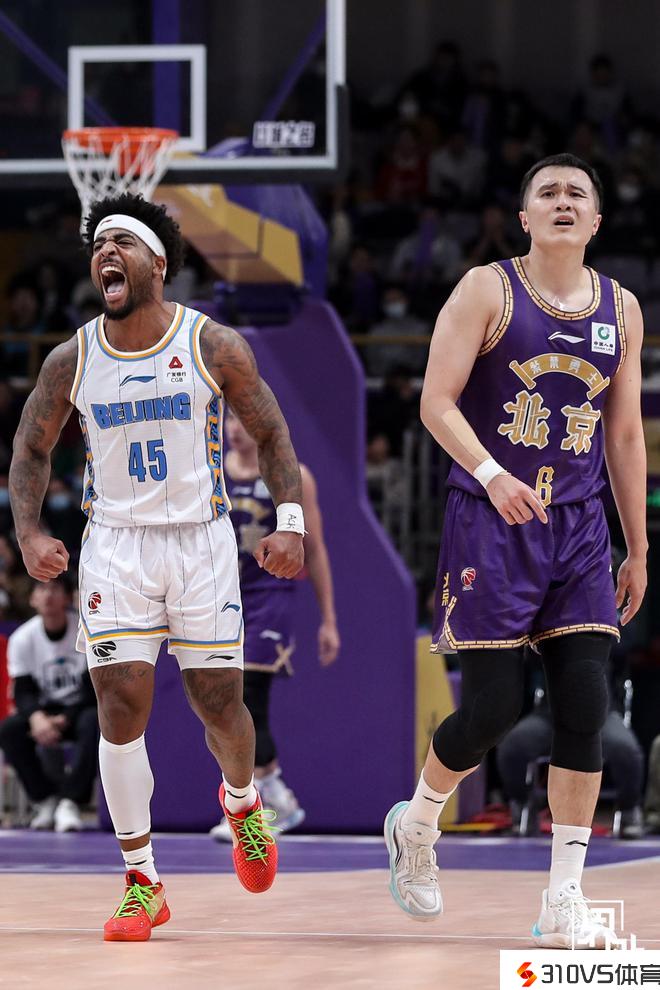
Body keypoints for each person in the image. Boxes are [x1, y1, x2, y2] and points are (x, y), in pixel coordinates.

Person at [8, 192, 306, 942]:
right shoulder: (73, 358)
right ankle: (143, 882)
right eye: (98, 244)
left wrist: (290, 523)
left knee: (219, 704)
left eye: (123, 243)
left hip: (200, 541)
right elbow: (31, 447)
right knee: (118, 709)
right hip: (115, 544)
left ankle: (242, 804)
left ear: (158, 264)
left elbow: (272, 433)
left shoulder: (212, 345)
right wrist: (28, 531)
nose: (106, 253)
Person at [384, 153, 647, 948]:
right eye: (548, 192)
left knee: (586, 704)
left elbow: (623, 435)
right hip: (491, 518)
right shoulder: (486, 290)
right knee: (495, 709)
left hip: (578, 526)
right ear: (525, 217)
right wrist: (492, 473)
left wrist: (637, 547)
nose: (563, 201)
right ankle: (417, 825)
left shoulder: (622, 308)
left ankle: (565, 898)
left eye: (577, 193)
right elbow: (436, 402)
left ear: (595, 219)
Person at [210, 410, 339, 840]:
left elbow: (314, 550)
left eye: (243, 420)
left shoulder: (291, 475)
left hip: (270, 598)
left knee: (250, 696)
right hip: (222, 598)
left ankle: (255, 804)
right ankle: (273, 795)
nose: (234, 428)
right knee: (223, 701)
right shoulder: (210, 470)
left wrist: (328, 620)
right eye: (229, 419)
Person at [496, 650, 645, 840]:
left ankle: (629, 810)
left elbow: (623, 653)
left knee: (626, 749)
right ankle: (523, 803)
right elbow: (530, 659)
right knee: (512, 747)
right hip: (550, 716)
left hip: (601, 716)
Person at [0, 574, 98, 832]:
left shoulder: (84, 632)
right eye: (41, 589)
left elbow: (92, 690)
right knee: (9, 730)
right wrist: (37, 718)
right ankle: (44, 799)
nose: (48, 595)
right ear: (32, 598)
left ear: (67, 597)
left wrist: (64, 718)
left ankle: (70, 801)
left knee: (95, 722)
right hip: (42, 711)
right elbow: (22, 691)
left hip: (79, 709)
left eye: (55, 589)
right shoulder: (22, 638)